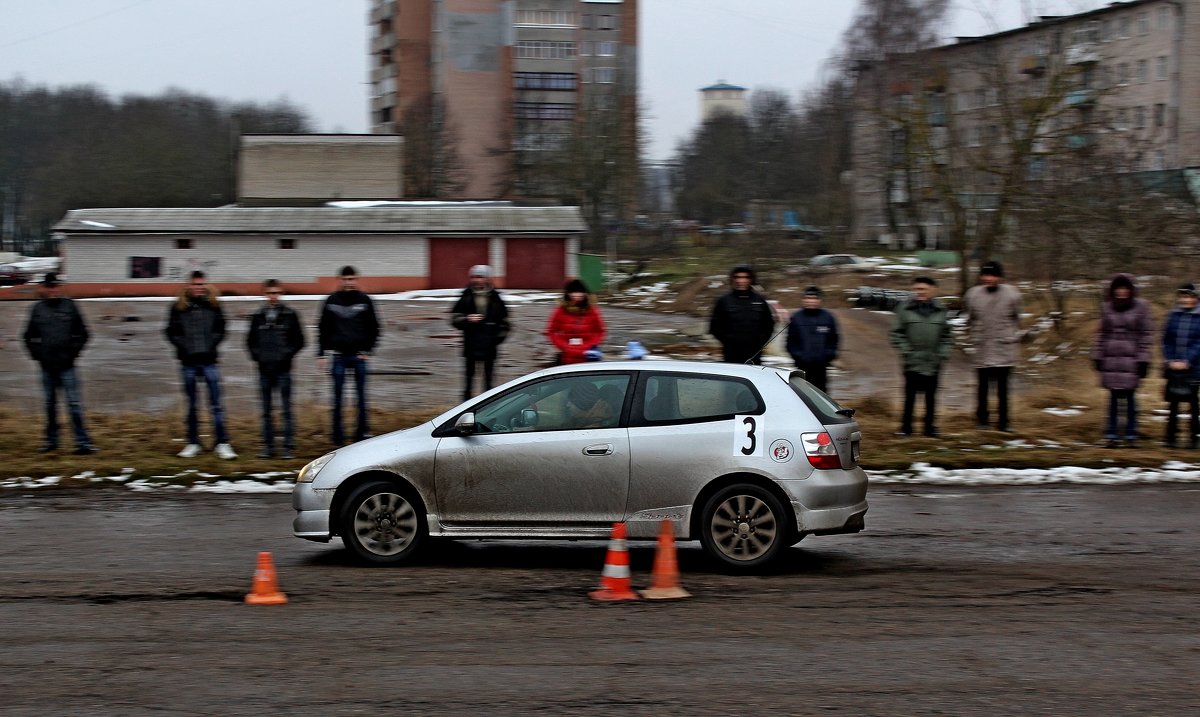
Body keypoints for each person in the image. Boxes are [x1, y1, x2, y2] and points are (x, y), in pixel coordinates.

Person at [22, 272, 96, 455]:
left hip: (67, 366)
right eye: (50, 287)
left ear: (59, 287)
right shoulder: (37, 309)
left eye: (56, 286)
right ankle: (51, 442)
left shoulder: (70, 306)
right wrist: (38, 356)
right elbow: (28, 336)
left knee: (74, 404)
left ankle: (83, 443)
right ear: (44, 289)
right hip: (46, 367)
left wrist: (72, 353)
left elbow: (84, 334)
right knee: (50, 405)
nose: (53, 290)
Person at [166, 270, 235, 459]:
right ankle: (192, 443)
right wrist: (184, 347)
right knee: (191, 406)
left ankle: (222, 443)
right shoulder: (178, 307)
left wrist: (211, 344)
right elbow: (171, 332)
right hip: (188, 363)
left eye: (201, 284)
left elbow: (221, 328)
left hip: (209, 361)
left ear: (205, 285)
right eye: (195, 284)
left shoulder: (213, 305)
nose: (198, 288)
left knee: (216, 405)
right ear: (189, 285)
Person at [318, 265, 381, 446]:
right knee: (337, 399)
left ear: (356, 279)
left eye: (351, 279)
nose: (348, 282)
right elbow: (323, 328)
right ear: (339, 280)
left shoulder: (365, 300)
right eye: (345, 279)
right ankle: (337, 438)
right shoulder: (331, 301)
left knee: (361, 399)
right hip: (338, 357)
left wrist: (368, 350)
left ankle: (361, 435)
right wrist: (321, 353)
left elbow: (375, 328)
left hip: (359, 358)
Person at [1091, 273, 1153, 447]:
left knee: (1131, 399)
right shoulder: (1106, 307)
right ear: (1113, 290)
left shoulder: (1141, 307)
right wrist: (1097, 355)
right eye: (1118, 288)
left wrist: (1144, 359)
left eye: (1125, 288)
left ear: (1131, 290)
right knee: (1113, 399)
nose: (1122, 292)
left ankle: (1131, 434)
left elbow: (1146, 335)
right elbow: (1102, 334)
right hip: (1111, 358)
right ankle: (1111, 434)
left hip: (1131, 359)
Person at [247, 279, 305, 459]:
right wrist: (259, 357)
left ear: (280, 293)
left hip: (283, 370)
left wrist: (285, 355)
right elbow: (250, 342)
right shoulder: (258, 315)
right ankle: (268, 447)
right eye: (269, 293)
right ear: (264, 294)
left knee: (286, 410)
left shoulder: (290, 314)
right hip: (264, 370)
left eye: (276, 292)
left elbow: (300, 341)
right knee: (266, 411)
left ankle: (288, 447)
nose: (273, 296)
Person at [890, 276, 953, 437]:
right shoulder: (905, 309)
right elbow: (896, 333)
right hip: (912, 361)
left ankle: (930, 428)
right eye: (917, 289)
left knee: (931, 398)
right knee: (909, 397)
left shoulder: (941, 311)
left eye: (923, 289)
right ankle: (906, 429)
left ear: (933, 290)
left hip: (933, 361)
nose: (919, 292)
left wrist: (942, 353)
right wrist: (907, 351)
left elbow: (947, 335)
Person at [963, 261, 1022, 432]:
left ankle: (1004, 422)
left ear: (1000, 277)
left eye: (993, 275)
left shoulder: (1012, 295)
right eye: (985, 275)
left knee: (1003, 389)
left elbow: (1018, 318)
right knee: (982, 388)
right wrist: (974, 336)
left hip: (1004, 349)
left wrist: (1008, 335)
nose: (989, 279)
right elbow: (969, 319)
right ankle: (982, 421)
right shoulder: (973, 294)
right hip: (982, 347)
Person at [450, 265, 509, 400]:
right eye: (474, 277)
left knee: (488, 382)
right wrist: (467, 319)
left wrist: (495, 339)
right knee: (468, 382)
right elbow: (454, 318)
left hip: (490, 347)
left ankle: (488, 407)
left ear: (488, 279)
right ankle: (465, 407)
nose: (476, 280)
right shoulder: (466, 296)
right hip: (471, 345)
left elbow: (505, 323)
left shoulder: (495, 298)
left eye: (480, 277)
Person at [710, 264, 776, 364]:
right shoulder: (724, 301)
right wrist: (729, 342)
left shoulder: (760, 301)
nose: (741, 281)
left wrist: (758, 343)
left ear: (751, 280)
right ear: (733, 279)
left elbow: (769, 326)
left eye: (745, 277)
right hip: (731, 355)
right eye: (737, 277)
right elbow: (714, 327)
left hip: (754, 355)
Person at [1160, 283, 1200, 449]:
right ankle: (1170, 437)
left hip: (1194, 367)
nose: (1186, 299)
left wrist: (1186, 360)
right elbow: (1166, 339)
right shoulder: (1173, 315)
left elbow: (1199, 342)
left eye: (1190, 296)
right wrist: (1170, 360)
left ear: (1196, 298)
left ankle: (1194, 437)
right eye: (1183, 296)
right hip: (1174, 367)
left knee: (1193, 402)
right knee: (1173, 402)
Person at [785, 285, 839, 393]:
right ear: (803, 300)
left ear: (820, 300)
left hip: (821, 367)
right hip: (802, 367)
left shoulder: (828, 317)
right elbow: (790, 342)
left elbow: (833, 340)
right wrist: (799, 357)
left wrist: (827, 356)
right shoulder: (796, 317)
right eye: (808, 298)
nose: (811, 301)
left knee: (821, 395)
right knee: (802, 395)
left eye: (814, 298)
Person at [545, 278, 605, 364]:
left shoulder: (592, 310)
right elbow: (552, 331)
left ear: (585, 293)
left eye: (580, 292)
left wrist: (590, 345)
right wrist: (563, 346)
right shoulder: (560, 310)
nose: (577, 295)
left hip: (587, 356)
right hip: (566, 356)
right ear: (568, 294)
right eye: (573, 292)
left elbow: (600, 331)